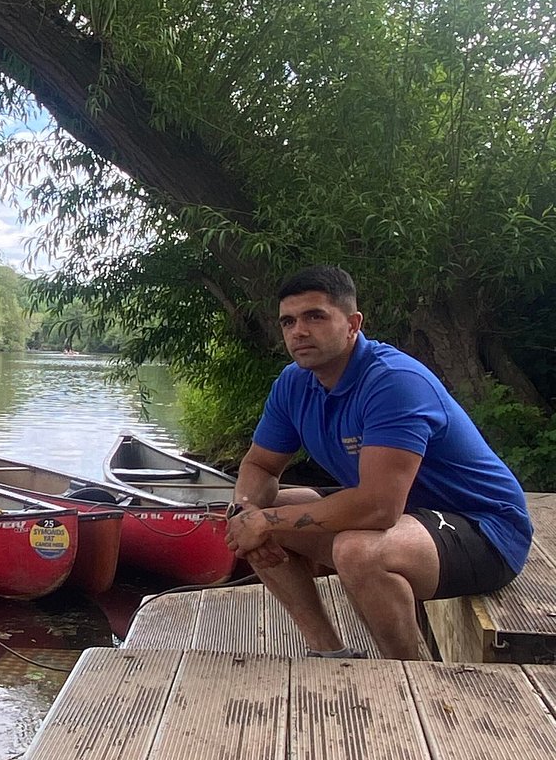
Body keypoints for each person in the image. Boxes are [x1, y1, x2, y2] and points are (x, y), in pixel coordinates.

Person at [224, 266, 532, 660]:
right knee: (255, 512)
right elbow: (260, 467)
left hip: (484, 528)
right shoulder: (293, 383)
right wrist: (246, 511)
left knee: (359, 550)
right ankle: (327, 650)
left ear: (353, 324)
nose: (298, 331)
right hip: (408, 516)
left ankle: (405, 675)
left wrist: (265, 523)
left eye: (315, 316)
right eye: (288, 321)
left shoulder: (393, 381)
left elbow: (378, 508)